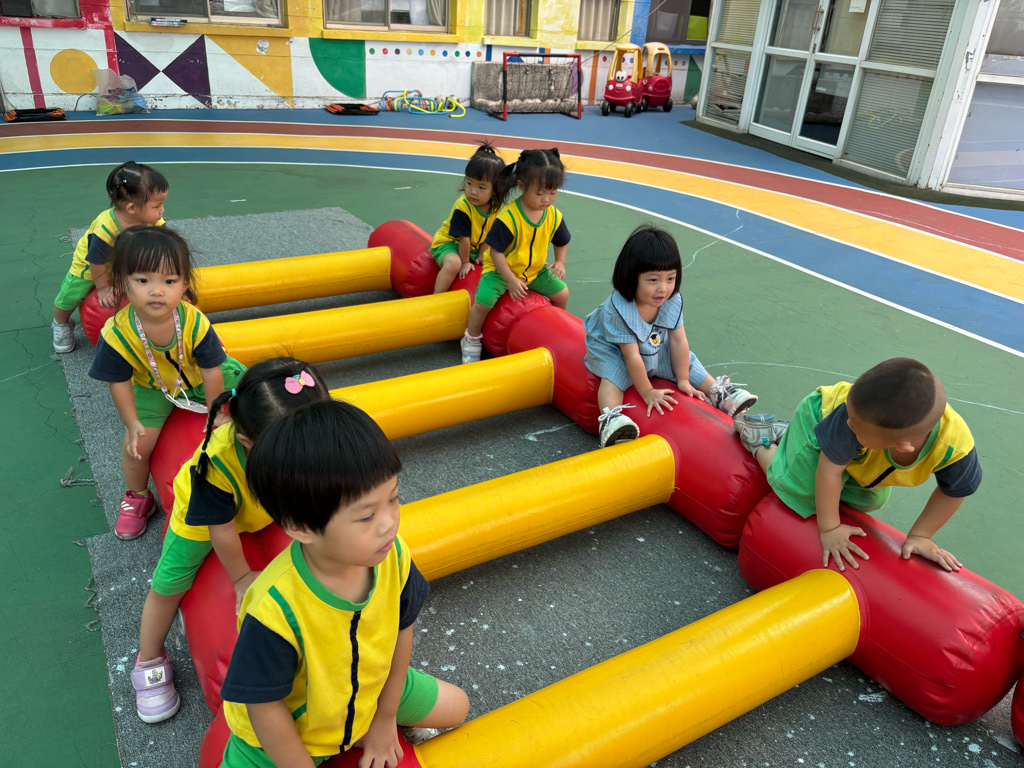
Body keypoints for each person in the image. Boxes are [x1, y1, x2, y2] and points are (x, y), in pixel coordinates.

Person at [220, 399, 470, 768]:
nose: (389, 523)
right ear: (301, 527)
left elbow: (403, 628)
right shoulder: (275, 609)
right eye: (366, 516)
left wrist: (385, 718)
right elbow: (264, 707)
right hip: (299, 727)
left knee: (458, 706)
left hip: (370, 687)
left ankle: (363, 728)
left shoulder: (393, 556)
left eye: (393, 498)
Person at [130, 358, 331, 724]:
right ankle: (149, 658)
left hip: (263, 505)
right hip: (206, 517)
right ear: (246, 442)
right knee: (170, 581)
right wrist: (241, 577)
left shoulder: (301, 437)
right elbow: (220, 528)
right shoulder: (218, 463)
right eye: (288, 450)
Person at [735, 357, 981, 572]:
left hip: (858, 459)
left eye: (855, 427)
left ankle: (788, 436)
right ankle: (761, 442)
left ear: (902, 445)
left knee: (871, 500)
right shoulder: (850, 418)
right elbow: (829, 472)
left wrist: (920, 536)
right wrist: (830, 529)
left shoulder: (955, 448)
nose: (849, 424)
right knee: (803, 493)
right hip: (818, 418)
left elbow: (953, 492)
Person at [88, 226, 245, 540]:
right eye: (143, 280)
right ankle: (137, 496)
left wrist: (216, 410)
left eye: (169, 281)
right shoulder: (117, 334)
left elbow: (211, 369)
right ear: (122, 282)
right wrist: (132, 423)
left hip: (199, 378)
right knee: (136, 447)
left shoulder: (194, 321)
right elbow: (119, 382)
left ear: (184, 284)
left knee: (258, 390)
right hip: (153, 388)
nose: (157, 291)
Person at [583, 224, 758, 447]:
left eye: (670, 278)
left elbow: (678, 340)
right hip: (612, 346)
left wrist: (683, 379)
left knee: (685, 359)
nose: (663, 289)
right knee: (615, 373)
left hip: (650, 338)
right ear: (631, 277)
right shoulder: (619, 309)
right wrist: (647, 392)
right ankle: (611, 418)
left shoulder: (670, 299)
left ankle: (718, 393)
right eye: (653, 280)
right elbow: (631, 356)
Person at [460, 148, 571, 364]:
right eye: (540, 193)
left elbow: (561, 240)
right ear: (521, 186)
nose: (546, 199)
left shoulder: (553, 215)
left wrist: (560, 261)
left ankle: (555, 329)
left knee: (563, 293)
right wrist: (510, 279)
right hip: (501, 272)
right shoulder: (509, 217)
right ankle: (471, 338)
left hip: (535, 272)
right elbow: (496, 251)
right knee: (483, 302)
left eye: (552, 192)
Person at [52, 161, 168, 353]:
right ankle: (61, 323)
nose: (162, 210)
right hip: (92, 265)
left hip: (126, 261)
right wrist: (104, 288)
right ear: (132, 208)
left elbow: (166, 245)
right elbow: (96, 262)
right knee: (72, 293)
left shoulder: (154, 221)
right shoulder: (106, 229)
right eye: (157, 205)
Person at [430, 140, 510, 294]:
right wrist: (465, 262)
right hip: (450, 244)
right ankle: (436, 296)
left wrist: (481, 256)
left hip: (474, 247)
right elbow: (463, 239)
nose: (473, 191)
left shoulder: (497, 208)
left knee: (500, 263)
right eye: (469, 183)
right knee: (454, 264)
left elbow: (489, 235)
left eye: (481, 187)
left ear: (495, 190)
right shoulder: (463, 206)